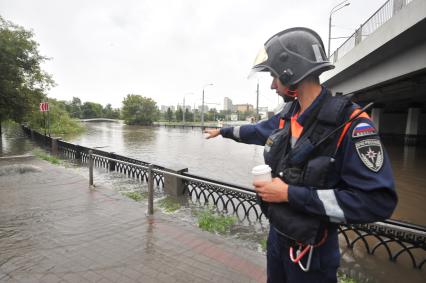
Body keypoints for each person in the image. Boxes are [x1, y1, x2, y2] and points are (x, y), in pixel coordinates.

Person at [205, 27, 397, 283]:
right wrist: (224, 131)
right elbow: (255, 131)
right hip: (278, 236)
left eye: (274, 76)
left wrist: (288, 194)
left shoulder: (352, 125)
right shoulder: (288, 116)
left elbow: (377, 202)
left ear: (290, 70)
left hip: (312, 252)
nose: (273, 85)